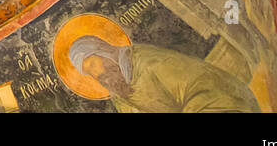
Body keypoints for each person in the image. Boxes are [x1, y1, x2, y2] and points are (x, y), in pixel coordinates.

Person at [68, 35, 260, 113]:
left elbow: (201, 85)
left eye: (93, 63)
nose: (96, 73)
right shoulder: (121, 97)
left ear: (105, 52)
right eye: (89, 72)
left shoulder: (148, 62)